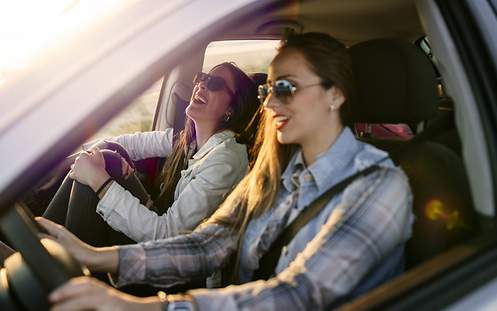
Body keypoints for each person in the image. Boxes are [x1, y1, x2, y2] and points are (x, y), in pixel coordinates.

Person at [39, 32, 413, 310]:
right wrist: (95, 257)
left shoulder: (381, 187)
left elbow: (296, 296)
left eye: (288, 87)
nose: (271, 102)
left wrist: (139, 307)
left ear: (335, 95)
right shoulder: (275, 174)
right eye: (269, 89)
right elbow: (209, 244)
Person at [43, 62, 260, 246]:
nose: (202, 84)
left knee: (104, 163)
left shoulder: (226, 160)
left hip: (175, 266)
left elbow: (168, 235)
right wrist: (80, 160)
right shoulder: (189, 140)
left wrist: (100, 181)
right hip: (158, 243)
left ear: (232, 108)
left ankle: (41, 249)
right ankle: (41, 243)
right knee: (107, 155)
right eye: (202, 77)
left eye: (214, 84)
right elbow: (127, 143)